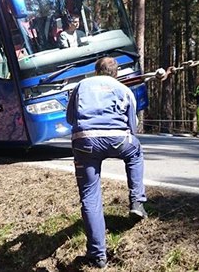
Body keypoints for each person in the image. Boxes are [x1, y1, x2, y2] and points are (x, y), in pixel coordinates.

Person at [66, 57, 147, 269]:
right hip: (119, 139)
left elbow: (70, 118)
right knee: (135, 153)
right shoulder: (124, 89)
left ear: (95, 72)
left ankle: (98, 255)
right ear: (116, 73)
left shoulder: (81, 86)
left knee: (90, 197)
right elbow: (132, 126)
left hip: (86, 142)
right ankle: (137, 201)